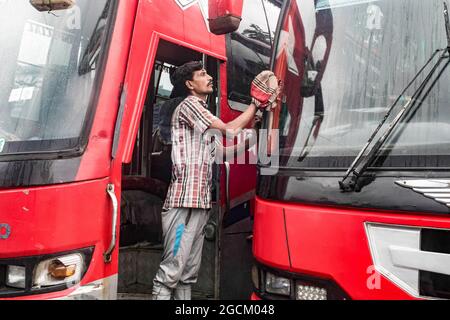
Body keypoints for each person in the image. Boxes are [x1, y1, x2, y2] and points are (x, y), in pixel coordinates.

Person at [151, 61, 280, 300]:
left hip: (198, 202)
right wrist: (254, 104)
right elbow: (230, 131)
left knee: (187, 274)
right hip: (183, 202)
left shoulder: (201, 116)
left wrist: (256, 130)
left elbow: (224, 153)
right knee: (170, 272)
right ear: (190, 84)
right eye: (202, 74)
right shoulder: (190, 105)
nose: (209, 77)